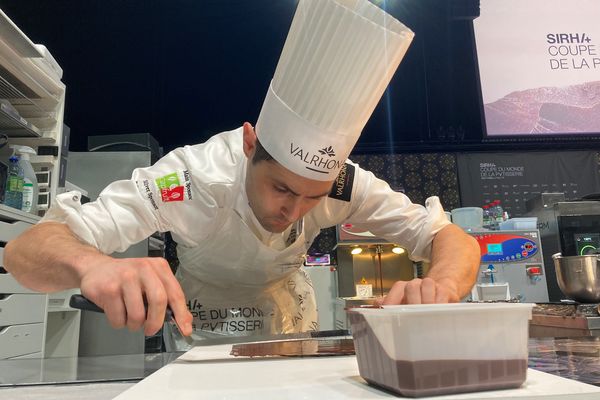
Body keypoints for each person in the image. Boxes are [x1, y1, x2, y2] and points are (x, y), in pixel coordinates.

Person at [3, 0, 479, 346]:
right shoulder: (190, 178)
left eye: (313, 198)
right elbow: (27, 251)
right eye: (281, 189)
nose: (293, 210)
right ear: (250, 144)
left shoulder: (343, 183)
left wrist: (441, 285)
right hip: (200, 320)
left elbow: (445, 236)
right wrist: (94, 264)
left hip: (290, 322)